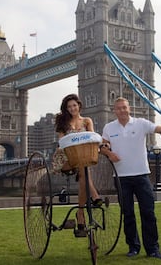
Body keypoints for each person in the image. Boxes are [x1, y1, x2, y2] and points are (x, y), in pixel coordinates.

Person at [100, 97, 161, 259]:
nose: (122, 110)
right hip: (121, 177)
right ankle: (133, 247)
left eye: (124, 107)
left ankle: (152, 249)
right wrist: (108, 153)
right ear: (114, 110)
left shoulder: (141, 123)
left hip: (141, 175)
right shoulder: (109, 127)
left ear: (129, 108)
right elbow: (103, 145)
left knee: (148, 213)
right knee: (127, 213)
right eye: (118, 108)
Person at [54, 94, 102, 237]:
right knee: (83, 168)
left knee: (83, 172)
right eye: (69, 107)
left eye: (74, 105)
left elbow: (92, 137)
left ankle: (80, 214)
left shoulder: (87, 121)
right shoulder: (63, 123)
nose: (72, 108)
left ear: (79, 106)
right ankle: (94, 196)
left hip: (83, 156)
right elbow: (61, 142)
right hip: (66, 159)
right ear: (66, 109)